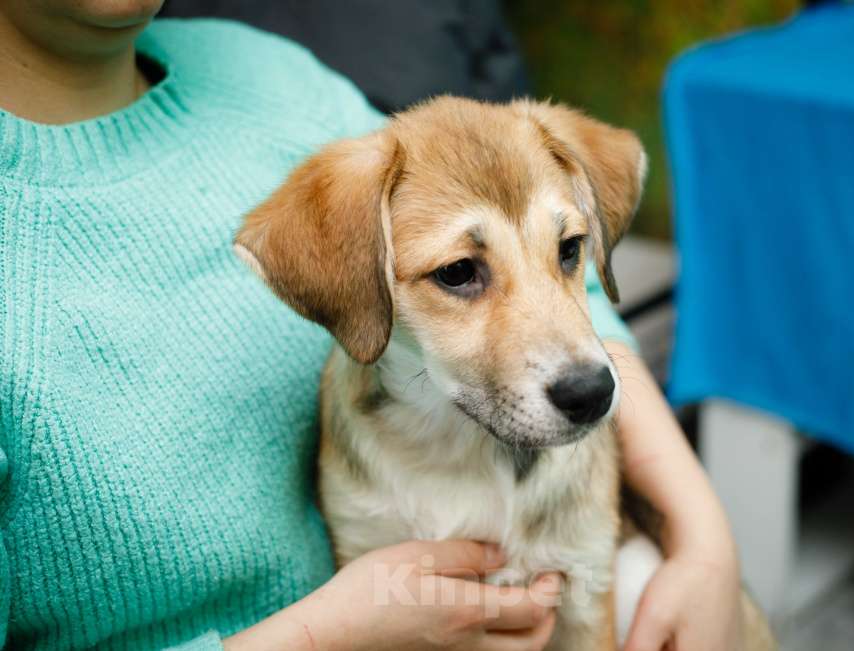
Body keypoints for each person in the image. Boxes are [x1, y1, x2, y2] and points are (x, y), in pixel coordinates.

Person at [0, 1, 741, 649]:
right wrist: (338, 631)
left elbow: (577, 304)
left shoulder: (272, 78)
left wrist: (704, 537)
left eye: (571, 250)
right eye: (459, 273)